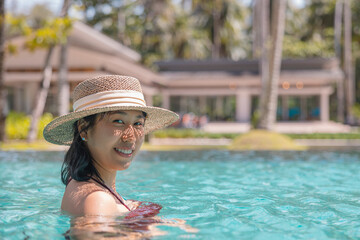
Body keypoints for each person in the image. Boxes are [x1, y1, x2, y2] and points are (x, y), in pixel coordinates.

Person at [43, 75, 179, 216]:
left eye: (138, 123)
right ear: (84, 129)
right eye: (118, 121)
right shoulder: (97, 200)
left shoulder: (82, 185)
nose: (130, 137)